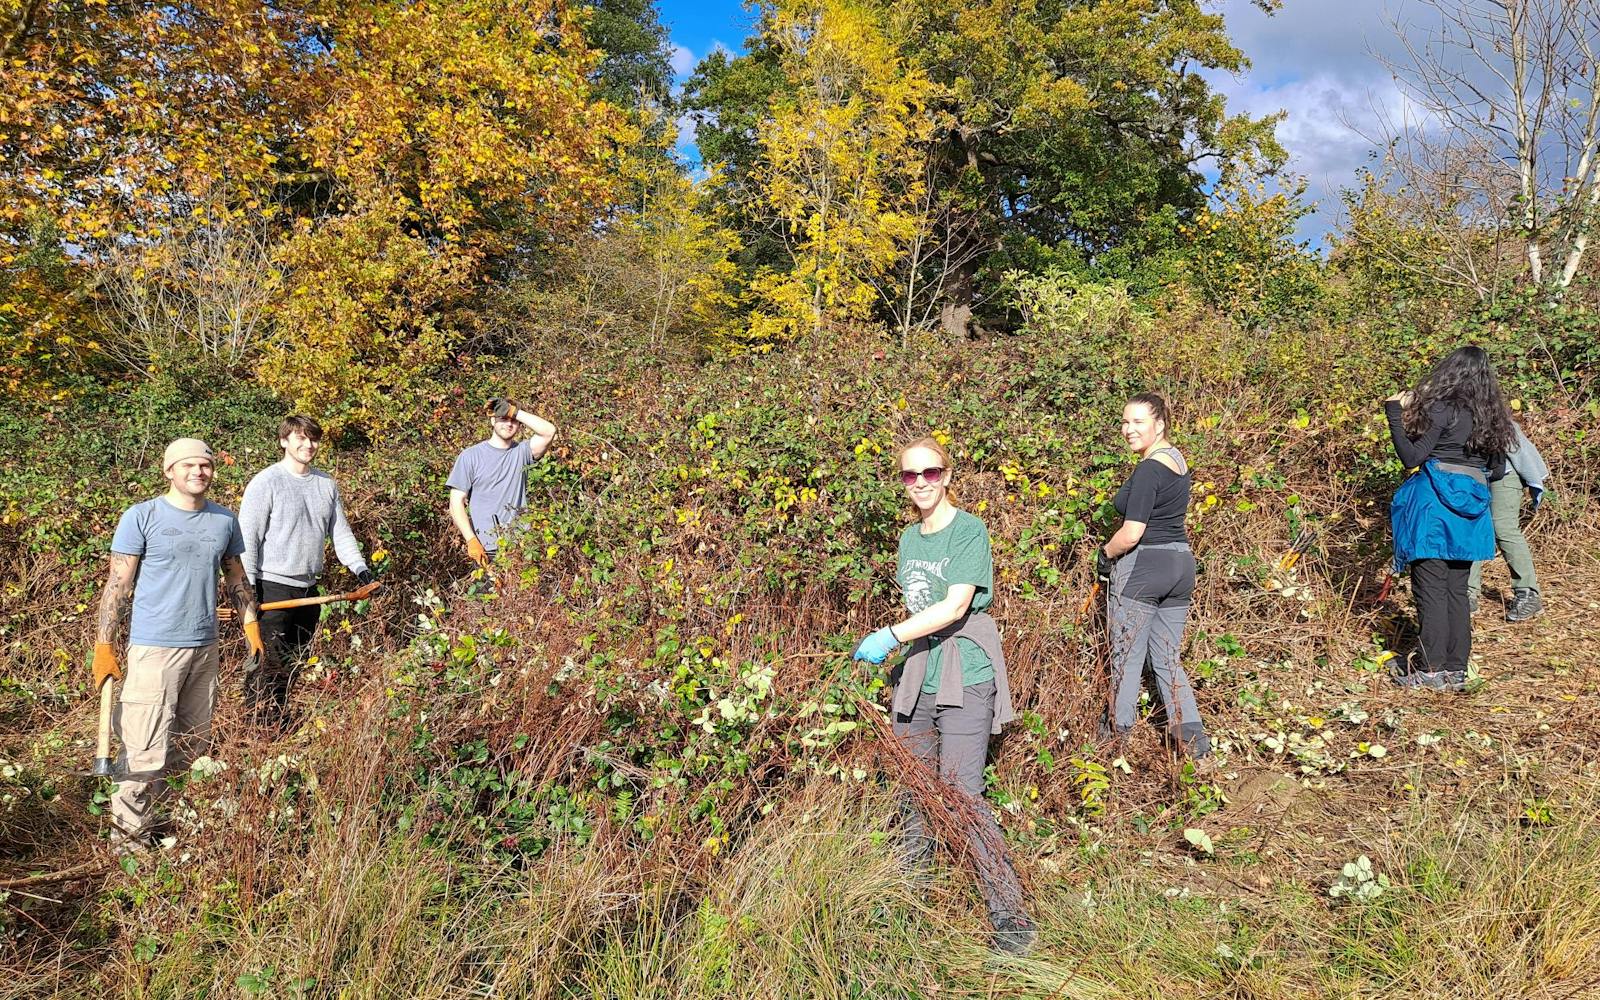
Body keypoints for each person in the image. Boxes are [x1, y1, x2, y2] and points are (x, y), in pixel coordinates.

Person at [851, 435, 1034, 956]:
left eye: (930, 473)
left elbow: (954, 607)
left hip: (964, 673)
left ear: (947, 475)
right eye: (910, 476)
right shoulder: (910, 539)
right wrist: (901, 644)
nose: (921, 484)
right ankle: (915, 896)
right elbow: (919, 606)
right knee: (912, 787)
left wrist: (890, 635)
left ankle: (1010, 917)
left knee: (960, 794)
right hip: (918, 674)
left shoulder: (968, 531)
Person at [92, 438, 264, 851]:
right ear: (169, 470)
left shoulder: (224, 521)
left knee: (190, 746)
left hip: (205, 649)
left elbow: (236, 578)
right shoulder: (142, 516)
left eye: (205, 465)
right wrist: (104, 645)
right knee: (144, 748)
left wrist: (251, 627)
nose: (198, 472)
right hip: (155, 648)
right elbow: (118, 584)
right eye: (188, 465)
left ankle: (166, 830)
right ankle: (129, 845)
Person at [1385, 345, 1514, 691]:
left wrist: (1394, 413)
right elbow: (1497, 470)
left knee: (1430, 591)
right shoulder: (1493, 418)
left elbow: (1411, 457)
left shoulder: (1441, 409)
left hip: (1432, 511)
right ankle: (1456, 670)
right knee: (1457, 592)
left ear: (1450, 371)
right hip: (1471, 514)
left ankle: (1429, 670)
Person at [238, 415, 380, 725]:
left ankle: (280, 723)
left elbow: (340, 533)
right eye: (300, 438)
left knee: (293, 662)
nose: (308, 444)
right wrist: (246, 592)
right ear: (284, 441)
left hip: (308, 591)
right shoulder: (266, 482)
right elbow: (246, 541)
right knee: (265, 664)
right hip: (270, 589)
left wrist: (361, 570)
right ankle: (257, 728)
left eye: (313, 439)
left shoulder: (325, 484)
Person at [1095, 392, 1210, 757]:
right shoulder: (1177, 460)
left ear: (1159, 424)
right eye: (1125, 422)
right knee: (1166, 658)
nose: (1128, 429)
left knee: (1126, 658)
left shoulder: (1148, 468)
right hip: (1181, 564)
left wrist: (1104, 554)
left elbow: (1132, 531)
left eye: (1138, 422)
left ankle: (1114, 744)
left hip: (1144, 567)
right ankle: (1195, 749)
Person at [446, 397, 557, 567]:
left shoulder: (522, 453)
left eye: (513, 420)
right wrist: (471, 540)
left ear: (519, 424)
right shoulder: (470, 456)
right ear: (492, 420)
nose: (509, 424)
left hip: (521, 547)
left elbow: (549, 431)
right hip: (485, 549)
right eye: (503, 419)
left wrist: (514, 412)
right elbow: (455, 503)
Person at [1467, 420, 1548, 621]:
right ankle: (1467, 593)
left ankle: (1528, 594)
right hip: (1473, 474)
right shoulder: (1453, 409)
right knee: (1472, 527)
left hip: (1504, 474)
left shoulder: (1491, 411)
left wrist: (1534, 481)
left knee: (1503, 527)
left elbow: (1517, 446)